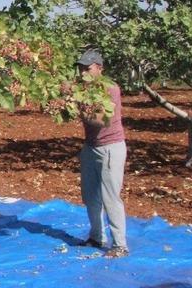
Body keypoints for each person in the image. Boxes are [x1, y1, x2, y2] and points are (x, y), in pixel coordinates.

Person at [76, 49, 129, 258]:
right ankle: (96, 236)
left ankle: (120, 245)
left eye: (87, 69)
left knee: (110, 197)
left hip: (110, 148)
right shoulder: (82, 89)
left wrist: (76, 108)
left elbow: (100, 121)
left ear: (99, 68)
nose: (82, 73)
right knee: (90, 196)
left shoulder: (110, 88)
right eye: (80, 68)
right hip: (90, 147)